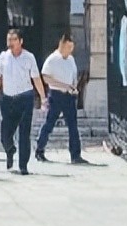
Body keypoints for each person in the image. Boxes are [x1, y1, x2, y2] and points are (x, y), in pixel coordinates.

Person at [0, 28, 47, 175]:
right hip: (8, 99)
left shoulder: (29, 57)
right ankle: (10, 150)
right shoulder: (3, 57)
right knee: (5, 134)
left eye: (14, 39)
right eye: (9, 39)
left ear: (21, 41)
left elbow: (36, 78)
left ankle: (23, 165)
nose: (11, 43)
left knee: (24, 132)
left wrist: (43, 97)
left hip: (25, 98)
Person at [36, 33, 88, 165]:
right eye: (68, 47)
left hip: (69, 96)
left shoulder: (70, 59)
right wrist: (63, 85)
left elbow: (73, 75)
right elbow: (45, 77)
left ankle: (75, 155)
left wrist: (74, 86)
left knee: (73, 126)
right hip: (56, 94)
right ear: (63, 45)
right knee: (49, 123)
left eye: (72, 48)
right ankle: (39, 150)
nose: (70, 50)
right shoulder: (52, 59)